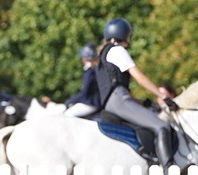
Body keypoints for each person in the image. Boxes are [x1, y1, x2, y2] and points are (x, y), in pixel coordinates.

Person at [95, 18, 175, 166]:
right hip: (119, 101)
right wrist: (163, 96)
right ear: (125, 35)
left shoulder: (103, 55)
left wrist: (145, 103)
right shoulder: (118, 50)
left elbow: (118, 90)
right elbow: (140, 78)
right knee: (162, 126)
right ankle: (169, 169)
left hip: (111, 103)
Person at [63, 42, 100, 118]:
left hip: (91, 103)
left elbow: (84, 92)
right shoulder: (93, 70)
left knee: (68, 114)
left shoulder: (90, 72)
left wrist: (70, 101)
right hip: (90, 101)